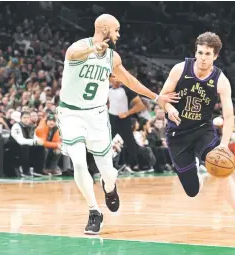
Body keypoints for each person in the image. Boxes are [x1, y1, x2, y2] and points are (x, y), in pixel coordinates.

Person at [57, 14, 179, 235]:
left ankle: (110, 187)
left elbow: (130, 81)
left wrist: (156, 97)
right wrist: (92, 50)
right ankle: (94, 211)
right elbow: (73, 55)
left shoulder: (113, 58)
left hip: (96, 115)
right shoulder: (79, 47)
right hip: (71, 113)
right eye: (117, 29)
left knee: (109, 172)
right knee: (79, 163)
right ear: (104, 28)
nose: (119, 34)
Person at [159, 32, 235, 236]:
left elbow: (229, 116)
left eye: (208, 53)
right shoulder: (180, 69)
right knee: (192, 190)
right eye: (200, 52)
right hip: (178, 135)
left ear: (215, 56)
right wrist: (169, 109)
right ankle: (194, 168)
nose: (203, 57)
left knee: (223, 170)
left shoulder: (221, 81)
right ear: (195, 51)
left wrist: (224, 145)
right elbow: (162, 97)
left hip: (202, 132)